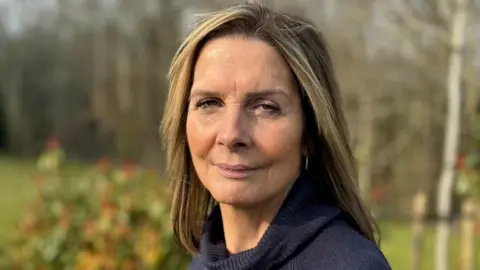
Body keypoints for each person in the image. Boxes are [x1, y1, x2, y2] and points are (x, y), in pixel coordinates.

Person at [161, 2, 391, 269]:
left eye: (265, 107)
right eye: (209, 103)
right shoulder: (204, 261)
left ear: (310, 133)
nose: (231, 134)